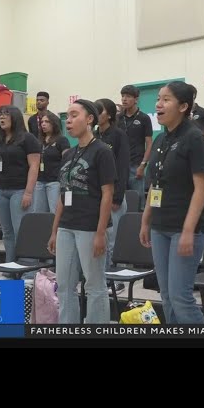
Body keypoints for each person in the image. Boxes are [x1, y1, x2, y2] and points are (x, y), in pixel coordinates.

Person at [140, 81, 204, 324]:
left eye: (166, 99)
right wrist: (145, 220)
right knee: (168, 296)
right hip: (160, 227)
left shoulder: (195, 138)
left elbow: (201, 188)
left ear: (183, 106)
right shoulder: (161, 140)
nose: (158, 104)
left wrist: (189, 231)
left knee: (181, 298)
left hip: (185, 228)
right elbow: (154, 185)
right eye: (158, 99)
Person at [47, 99, 116, 324]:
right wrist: (55, 230)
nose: (69, 120)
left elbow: (108, 195)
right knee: (65, 285)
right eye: (67, 116)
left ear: (89, 119)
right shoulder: (68, 154)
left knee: (94, 284)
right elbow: (62, 194)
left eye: (74, 115)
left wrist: (100, 233)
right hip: (67, 225)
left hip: (90, 226)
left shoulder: (102, 151)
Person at [0, 105, 40, 265]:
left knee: (21, 231)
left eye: (5, 114)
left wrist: (28, 193)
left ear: (15, 117)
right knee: (7, 232)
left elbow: (34, 166)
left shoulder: (28, 139)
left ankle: (27, 266)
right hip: (0, 190)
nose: (1, 117)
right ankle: (10, 266)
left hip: (20, 189)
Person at [95, 98, 130, 294]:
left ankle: (116, 280)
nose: (96, 115)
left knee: (112, 240)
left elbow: (123, 166)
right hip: (97, 195)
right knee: (101, 238)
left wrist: (117, 196)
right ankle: (102, 277)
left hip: (114, 193)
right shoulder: (93, 134)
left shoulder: (118, 135)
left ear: (108, 114)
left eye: (99, 111)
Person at [118, 85, 153, 210]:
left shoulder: (144, 118)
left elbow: (149, 143)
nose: (124, 99)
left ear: (136, 99)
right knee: (120, 202)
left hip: (136, 165)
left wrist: (143, 165)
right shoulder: (118, 118)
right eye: (122, 96)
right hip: (120, 166)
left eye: (128, 96)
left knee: (138, 203)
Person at [33, 111, 70, 213]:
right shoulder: (40, 141)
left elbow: (66, 161)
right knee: (38, 213)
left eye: (47, 122)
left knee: (55, 212)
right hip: (40, 181)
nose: (43, 124)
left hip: (54, 181)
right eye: (42, 122)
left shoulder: (62, 140)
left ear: (54, 123)